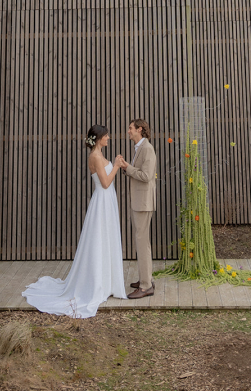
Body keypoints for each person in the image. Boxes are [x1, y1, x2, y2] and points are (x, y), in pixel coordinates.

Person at [22, 124, 127, 318]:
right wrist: (117, 166)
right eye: (106, 136)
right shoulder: (95, 157)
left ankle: (107, 280)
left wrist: (115, 163)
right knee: (99, 240)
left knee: (107, 239)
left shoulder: (100, 155)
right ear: (98, 138)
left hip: (108, 201)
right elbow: (105, 183)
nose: (109, 138)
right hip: (102, 201)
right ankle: (97, 282)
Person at [116, 118, 157, 298]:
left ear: (140, 129)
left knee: (142, 242)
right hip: (140, 201)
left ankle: (146, 286)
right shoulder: (139, 148)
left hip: (143, 202)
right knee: (142, 242)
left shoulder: (147, 149)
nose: (128, 131)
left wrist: (127, 167)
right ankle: (145, 279)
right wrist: (127, 168)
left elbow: (147, 176)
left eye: (130, 128)